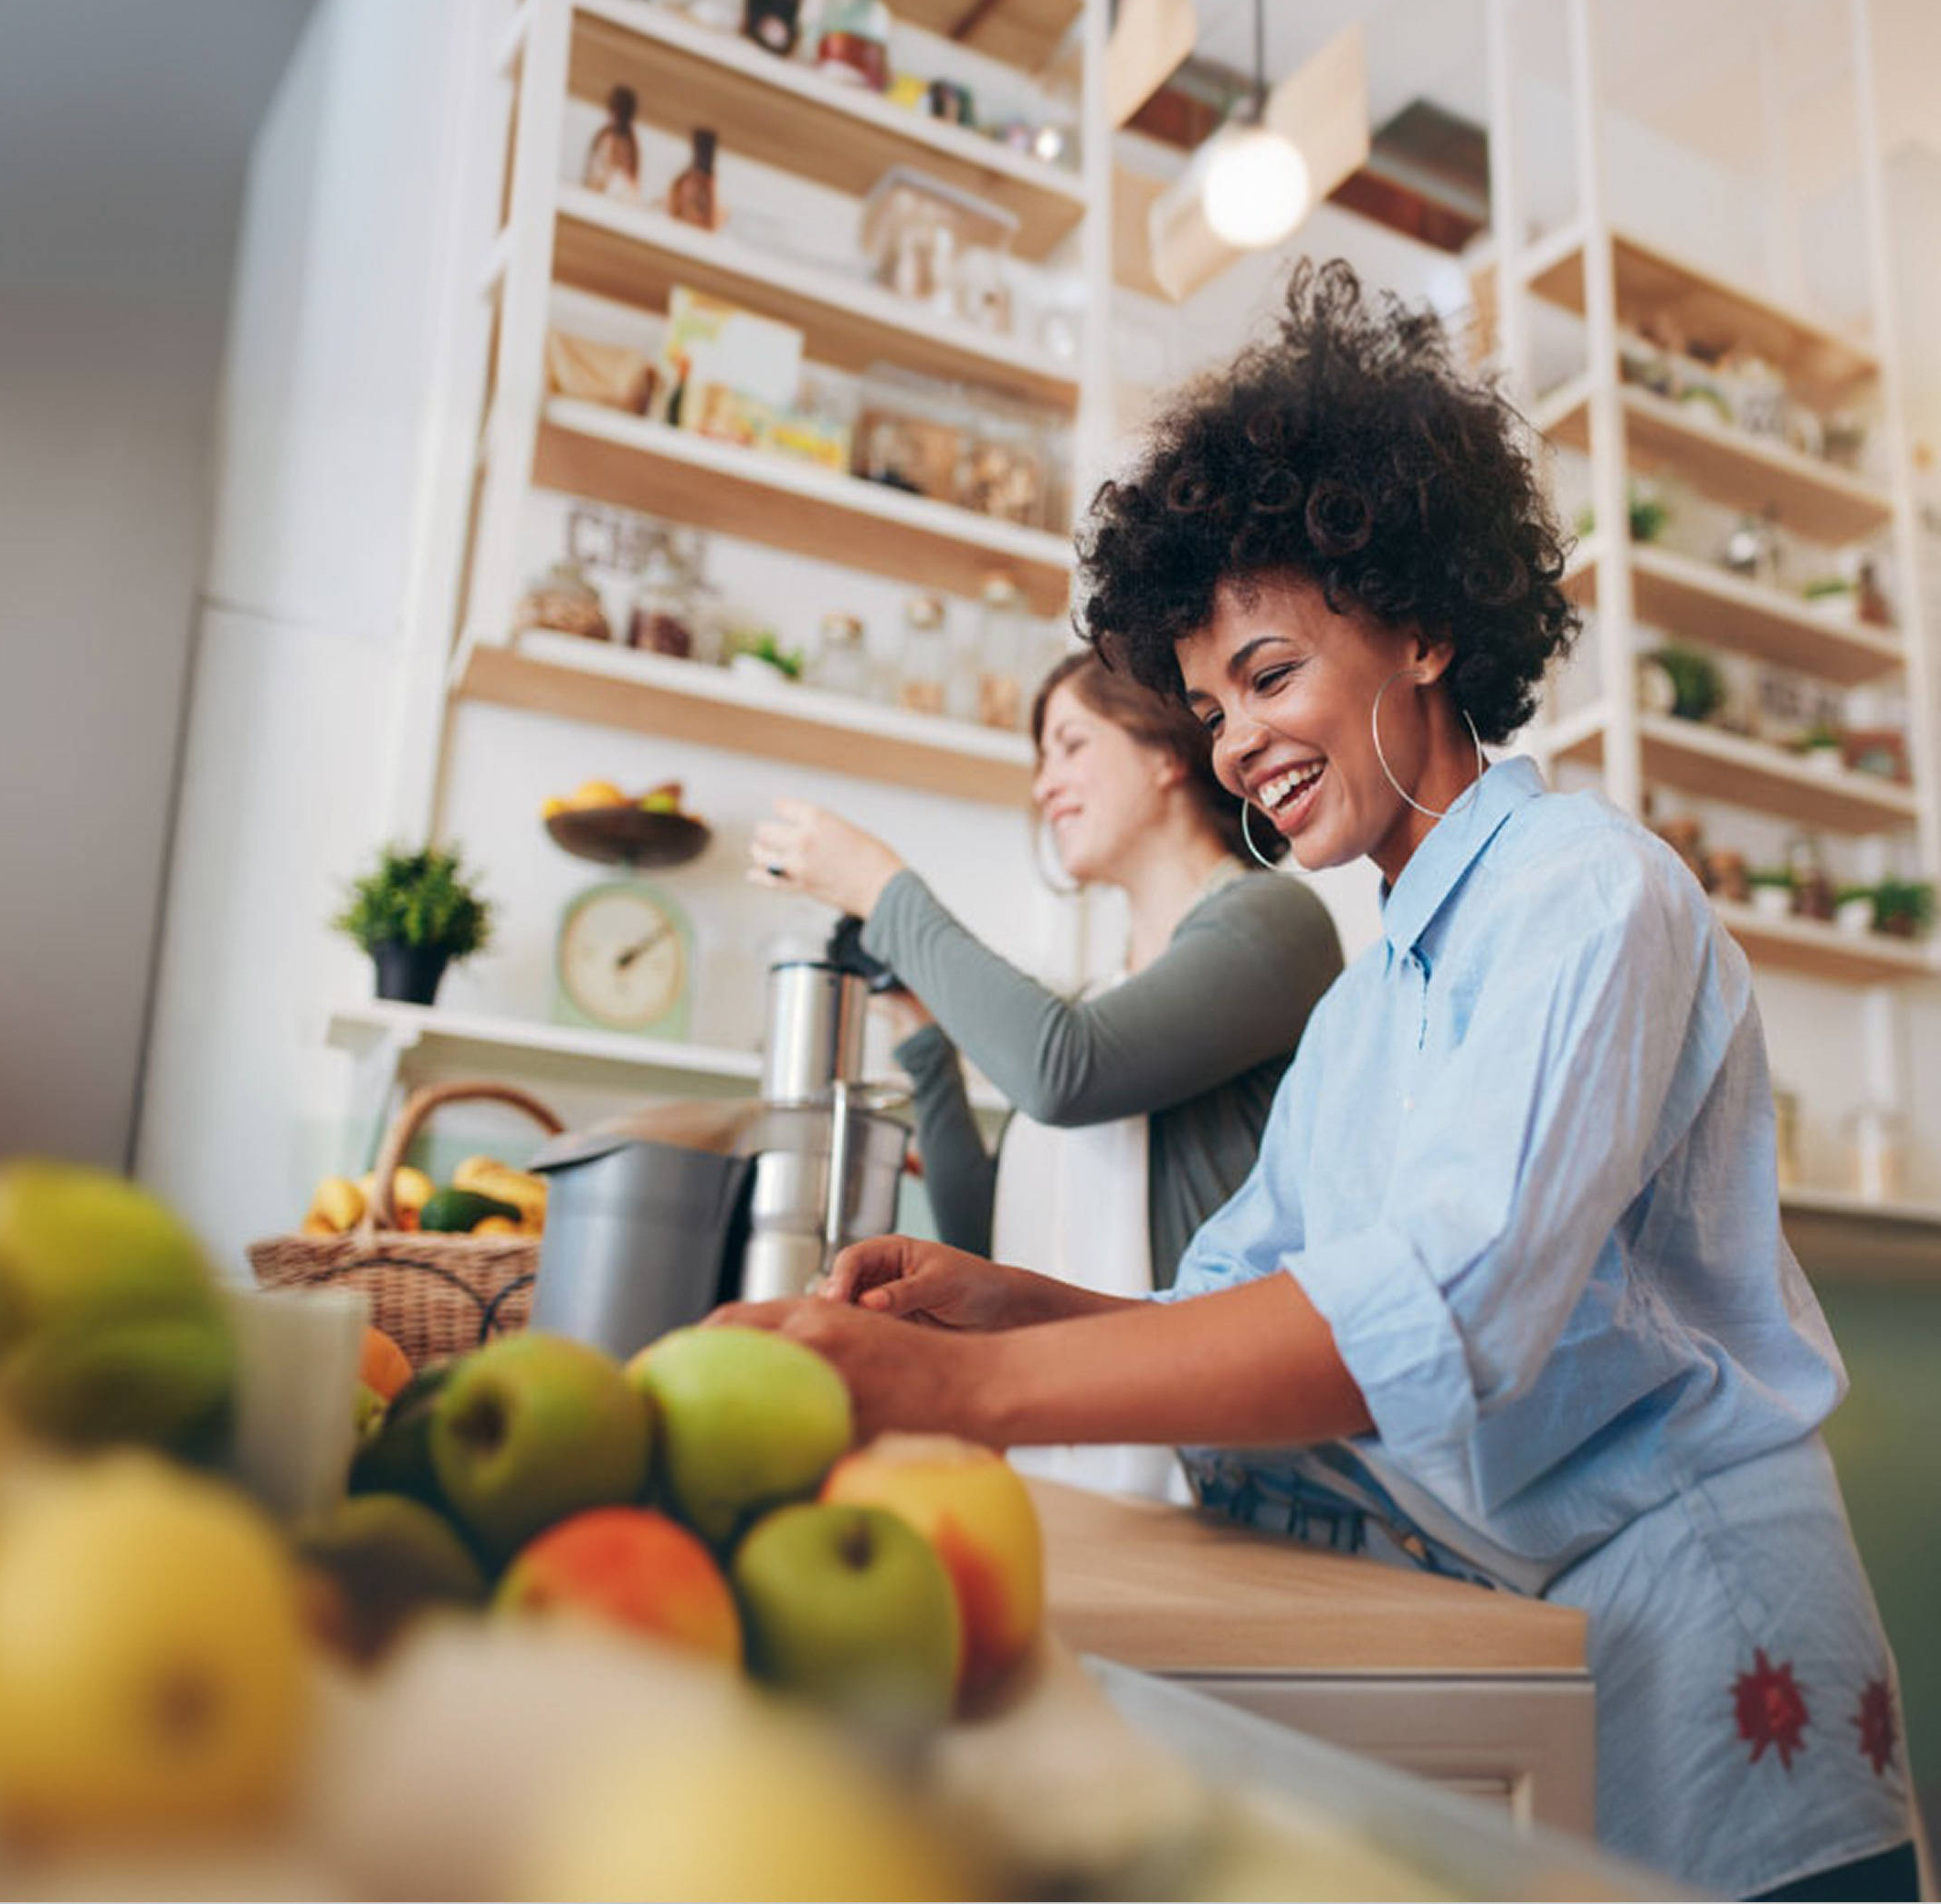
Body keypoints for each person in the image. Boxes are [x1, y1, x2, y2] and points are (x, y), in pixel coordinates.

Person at [716, 262, 1920, 1901]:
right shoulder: (1365, 1002)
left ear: (1425, 625)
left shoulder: (1590, 891)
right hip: (1516, 1616)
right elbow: (1249, 1301)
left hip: (1707, 1616)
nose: (1238, 745)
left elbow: (1440, 1304)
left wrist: (954, 1396)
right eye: (1211, 707)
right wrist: (1002, 1304)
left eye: (1271, 676)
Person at [743, 651, 1340, 1496]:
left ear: (1166, 750)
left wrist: (882, 889)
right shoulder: (1097, 1002)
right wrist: (924, 1040)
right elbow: (987, 1241)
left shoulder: (1273, 921)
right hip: (1061, 1468)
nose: (1044, 786)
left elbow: (1064, 1071)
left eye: (1069, 745)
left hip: (1212, 1477)